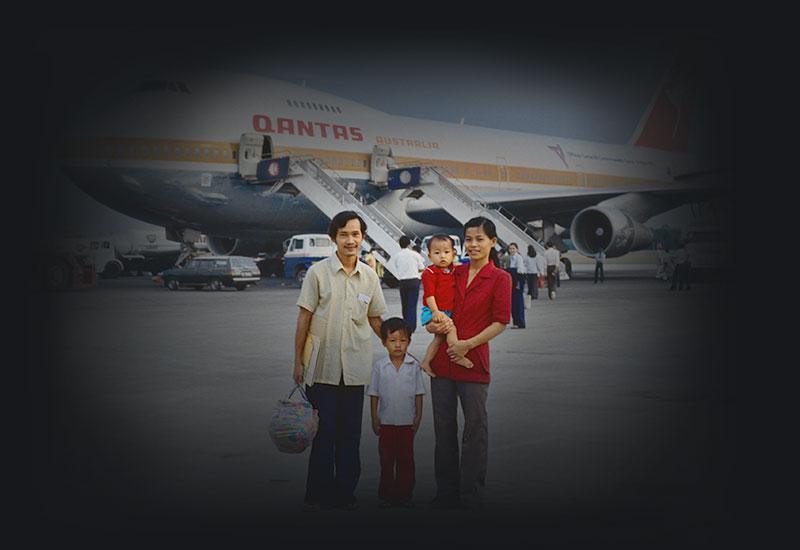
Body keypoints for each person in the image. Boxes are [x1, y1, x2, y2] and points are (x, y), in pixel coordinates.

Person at [293, 211, 388, 511]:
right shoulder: (318, 273)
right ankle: (319, 492)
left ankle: (345, 491)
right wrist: (297, 361)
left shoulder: (370, 276)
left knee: (350, 434)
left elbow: (375, 318)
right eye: (344, 234)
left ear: (363, 237)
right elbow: (304, 317)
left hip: (356, 367)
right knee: (324, 433)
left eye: (356, 234)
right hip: (322, 367)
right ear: (334, 237)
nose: (351, 240)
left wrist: (395, 344)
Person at [425, 216, 511, 509]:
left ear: (492, 242)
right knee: (443, 428)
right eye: (469, 239)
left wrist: (468, 344)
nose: (473, 245)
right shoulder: (453, 272)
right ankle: (446, 491)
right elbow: (433, 309)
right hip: (441, 365)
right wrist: (431, 326)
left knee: (475, 428)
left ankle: (470, 492)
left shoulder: (500, 278)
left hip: (473, 363)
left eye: (479, 239)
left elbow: (501, 321)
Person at [367, 317, 426, 508]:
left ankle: (405, 492)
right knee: (386, 459)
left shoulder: (414, 366)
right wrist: (374, 417)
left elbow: (419, 393)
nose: (398, 345)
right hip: (386, 423)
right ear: (384, 342)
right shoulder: (379, 367)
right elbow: (374, 394)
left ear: (409, 341)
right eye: (392, 341)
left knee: (406, 459)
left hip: (406, 423)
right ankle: (386, 493)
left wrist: (418, 417)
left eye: (403, 340)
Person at [419, 235, 473, 374]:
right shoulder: (429, 273)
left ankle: (426, 362)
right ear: (429, 255)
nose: (442, 256)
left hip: (445, 310)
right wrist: (435, 312)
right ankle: (458, 355)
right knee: (451, 329)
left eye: (446, 252)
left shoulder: (452, 270)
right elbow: (429, 295)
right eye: (437, 253)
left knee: (439, 339)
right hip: (433, 310)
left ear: (453, 254)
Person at [387, 236, 425, 332]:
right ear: (409, 244)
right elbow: (422, 267)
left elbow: (395, 267)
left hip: (403, 282)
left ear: (400, 244)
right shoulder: (415, 254)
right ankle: (411, 327)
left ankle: (405, 324)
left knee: (405, 305)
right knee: (412, 305)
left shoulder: (397, 255)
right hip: (414, 281)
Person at [506, 243, 526, 328]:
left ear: (517, 249)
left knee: (518, 302)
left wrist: (518, 283)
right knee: (513, 303)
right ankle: (515, 322)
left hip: (517, 280)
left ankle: (520, 322)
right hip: (512, 280)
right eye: (510, 249)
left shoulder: (518, 258)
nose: (511, 250)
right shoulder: (509, 258)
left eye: (513, 248)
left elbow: (520, 271)